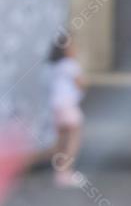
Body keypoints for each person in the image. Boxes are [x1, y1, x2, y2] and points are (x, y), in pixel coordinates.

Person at [49, 39, 85, 188]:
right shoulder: (70, 65)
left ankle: (59, 172)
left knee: (61, 139)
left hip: (56, 106)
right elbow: (80, 83)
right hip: (68, 106)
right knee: (73, 139)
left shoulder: (54, 66)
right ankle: (66, 172)